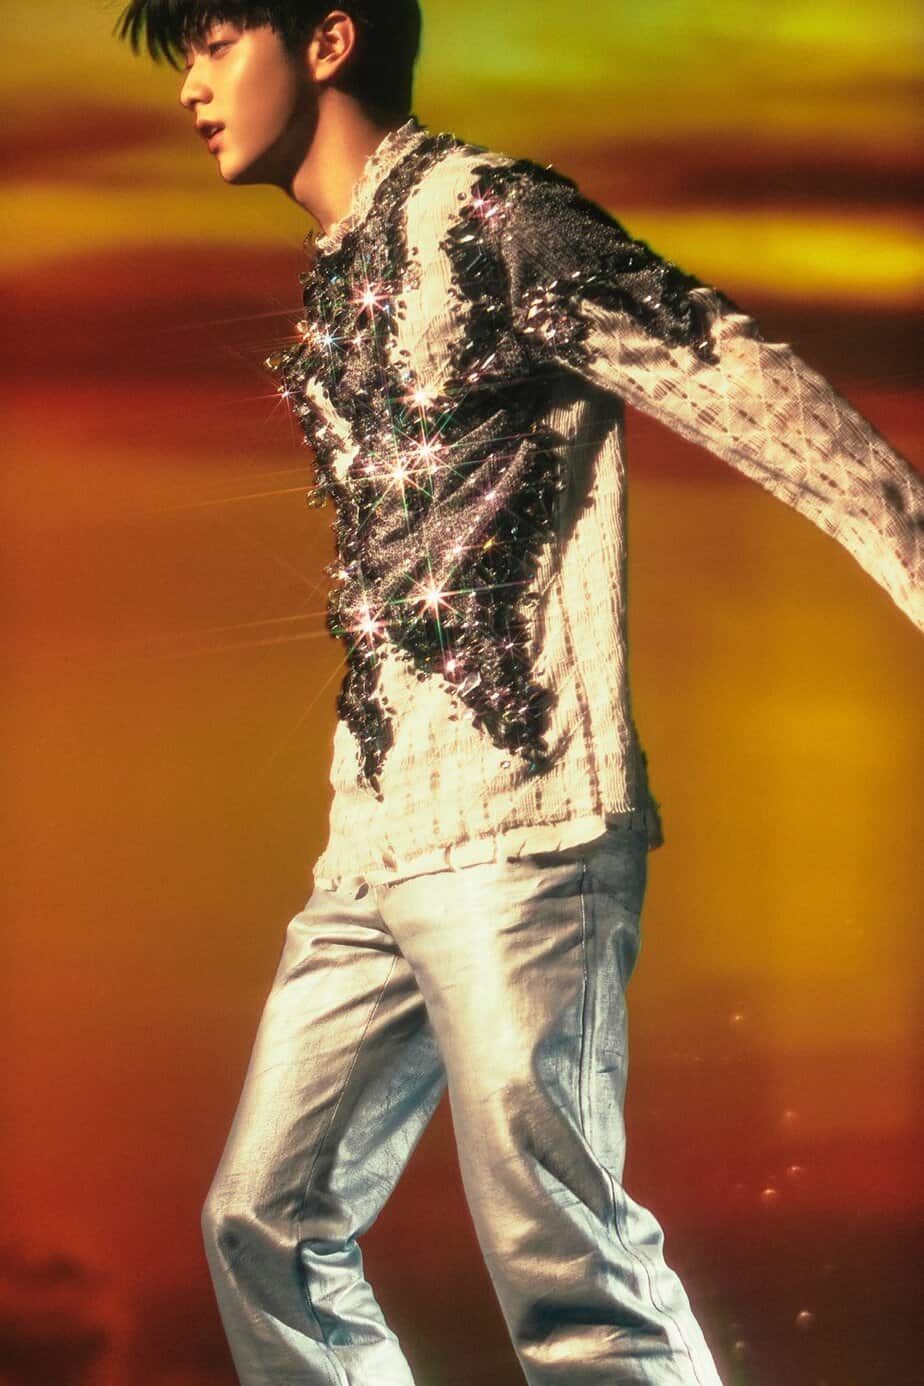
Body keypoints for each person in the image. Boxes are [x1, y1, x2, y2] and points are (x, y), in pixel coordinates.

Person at [116, 4, 924, 1384]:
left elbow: (742, 380)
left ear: (328, 40)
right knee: (263, 1222)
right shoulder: (342, 264)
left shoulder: (490, 217)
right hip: (372, 844)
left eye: (215, 42)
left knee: (569, 1271)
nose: (191, 87)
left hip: (526, 828)